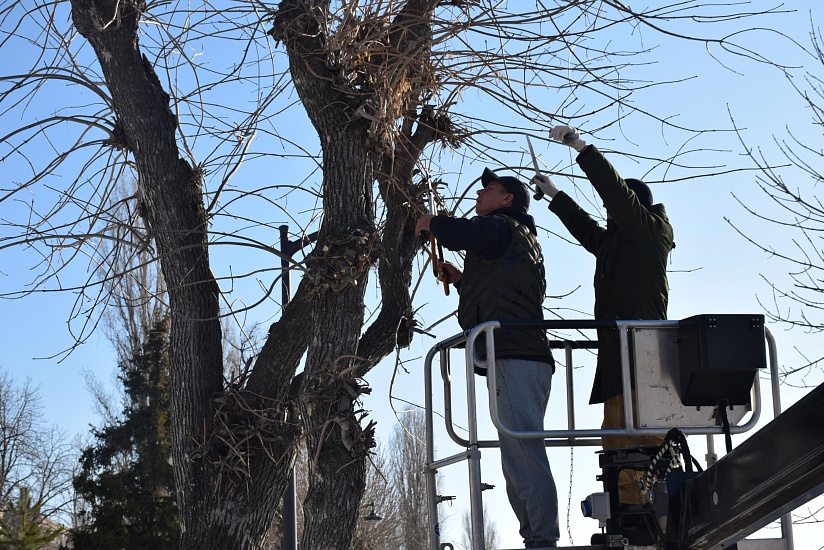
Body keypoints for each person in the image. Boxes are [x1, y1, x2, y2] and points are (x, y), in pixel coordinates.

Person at [531, 125, 675, 513]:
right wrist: (555, 194)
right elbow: (586, 230)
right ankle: (626, 506)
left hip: (643, 355)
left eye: (615, 210)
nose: (609, 215)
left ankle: (649, 504)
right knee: (616, 438)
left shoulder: (648, 232)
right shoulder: (618, 244)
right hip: (620, 354)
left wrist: (579, 146)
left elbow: (613, 192)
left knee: (643, 436)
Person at [416, 168, 558, 549]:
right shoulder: (514, 238)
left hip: (515, 353)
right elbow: (503, 291)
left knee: (524, 454)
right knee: (517, 457)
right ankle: (536, 538)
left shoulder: (501, 226)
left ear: (507, 199)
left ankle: (543, 540)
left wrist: (432, 222)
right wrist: (463, 280)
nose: (480, 195)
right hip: (516, 353)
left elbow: (466, 234)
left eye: (488, 190)